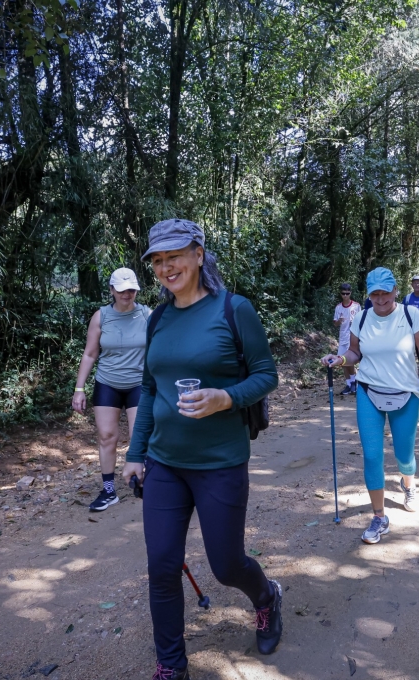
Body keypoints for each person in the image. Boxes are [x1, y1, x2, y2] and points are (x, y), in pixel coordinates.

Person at [122, 219, 282, 678]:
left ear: (198, 254)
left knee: (226, 565)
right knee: (162, 567)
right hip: (164, 463)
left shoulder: (234, 309)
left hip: (220, 462)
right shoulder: (158, 318)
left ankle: (267, 595)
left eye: (174, 256)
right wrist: (135, 453)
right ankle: (171, 666)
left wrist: (225, 397)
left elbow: (266, 375)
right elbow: (150, 388)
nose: (166, 267)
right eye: (157, 260)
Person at [322, 267, 419, 544]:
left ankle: (408, 483)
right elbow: (354, 353)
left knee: (403, 455)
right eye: (375, 293)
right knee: (372, 455)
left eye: (385, 292)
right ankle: (379, 517)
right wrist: (340, 360)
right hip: (368, 391)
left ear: (395, 291)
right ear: (369, 294)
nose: (381, 298)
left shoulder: (411, 315)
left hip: (406, 393)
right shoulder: (361, 319)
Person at [72, 267, 150, 512]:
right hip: (108, 383)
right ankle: (108, 491)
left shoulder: (148, 315)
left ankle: (143, 482)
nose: (127, 294)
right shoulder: (101, 316)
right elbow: (89, 353)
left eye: (131, 290)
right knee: (107, 436)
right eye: (121, 290)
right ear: (112, 290)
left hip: (139, 383)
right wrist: (79, 388)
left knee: (140, 436)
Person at [333, 283, 362, 396]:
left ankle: (354, 382)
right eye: (343, 293)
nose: (345, 296)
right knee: (342, 362)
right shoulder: (338, 307)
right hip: (343, 337)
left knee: (350, 361)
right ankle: (349, 384)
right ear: (340, 294)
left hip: (353, 337)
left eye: (347, 293)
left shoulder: (356, 306)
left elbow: (361, 321)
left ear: (350, 293)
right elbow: (335, 323)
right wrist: (339, 321)